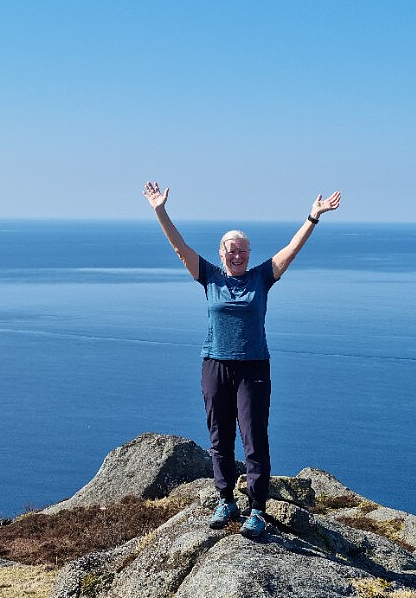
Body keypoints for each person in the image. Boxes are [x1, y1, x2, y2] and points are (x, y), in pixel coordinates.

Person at [142, 181, 342, 539]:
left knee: (254, 439)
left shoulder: (261, 277)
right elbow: (179, 247)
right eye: (232, 251)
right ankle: (226, 501)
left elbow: (291, 250)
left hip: (253, 367)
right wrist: (160, 210)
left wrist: (313, 217)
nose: (238, 256)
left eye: (243, 252)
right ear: (221, 253)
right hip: (215, 364)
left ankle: (258, 509)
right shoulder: (210, 277)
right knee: (219, 439)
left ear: (249, 254)